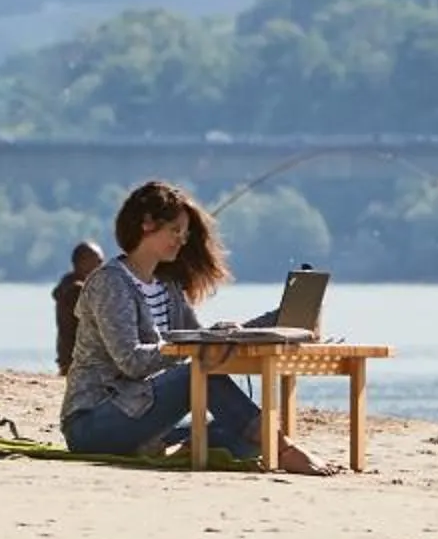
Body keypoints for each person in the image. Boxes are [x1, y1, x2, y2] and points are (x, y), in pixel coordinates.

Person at [61, 180, 332, 473]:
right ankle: (284, 448)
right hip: (93, 423)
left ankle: (180, 447)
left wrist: (280, 319)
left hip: (141, 415)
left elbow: (198, 338)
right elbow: (132, 362)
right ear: (147, 224)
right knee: (200, 372)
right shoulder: (111, 282)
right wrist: (200, 344)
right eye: (175, 231)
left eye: (185, 233)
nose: (181, 240)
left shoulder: (168, 287)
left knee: (246, 440)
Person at [50, 239, 101, 375]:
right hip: (81, 362)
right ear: (83, 262)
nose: (102, 265)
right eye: (99, 261)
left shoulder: (68, 284)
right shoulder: (77, 291)